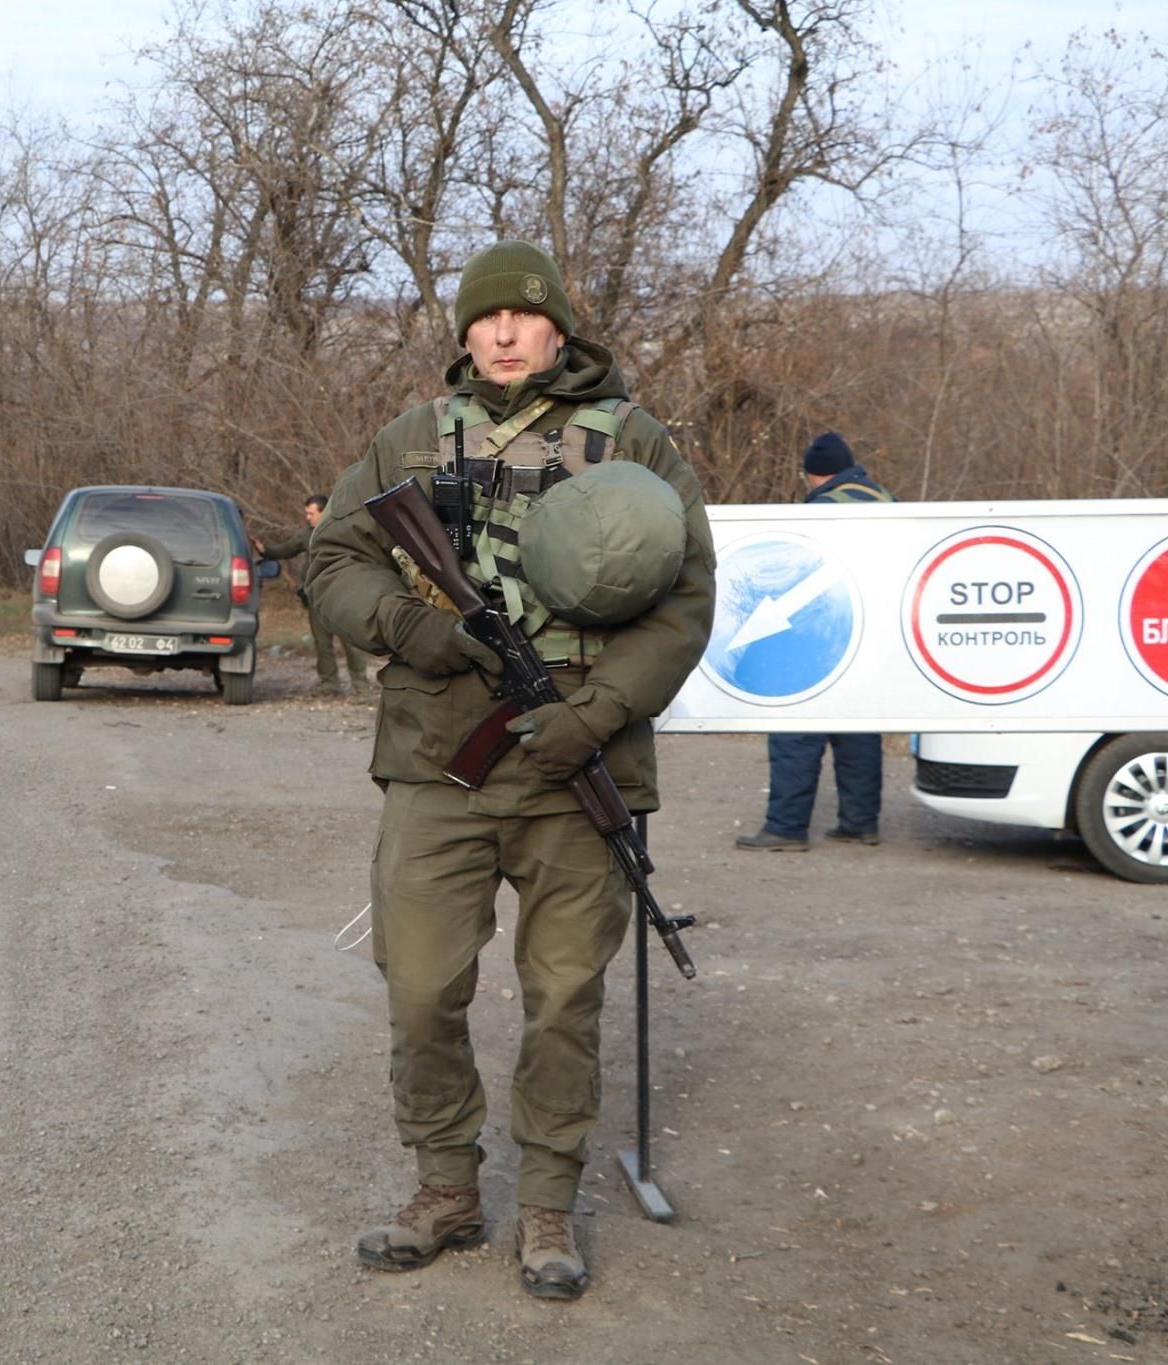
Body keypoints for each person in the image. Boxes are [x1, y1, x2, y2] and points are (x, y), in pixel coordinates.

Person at [303, 240, 715, 1300]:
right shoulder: (408, 441)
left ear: (557, 329)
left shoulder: (634, 445)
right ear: (462, 333)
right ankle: (443, 1189)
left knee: (562, 995)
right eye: (482, 319)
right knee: (421, 986)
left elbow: (683, 606)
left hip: (576, 764)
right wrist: (406, 622)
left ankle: (545, 1206)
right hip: (436, 763)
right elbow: (331, 561)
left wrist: (598, 714)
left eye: (521, 318)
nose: (499, 335)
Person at [735, 432, 897, 851]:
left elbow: (803, 574)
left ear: (813, 475)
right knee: (857, 730)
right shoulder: (885, 499)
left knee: (795, 728)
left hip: (824, 636)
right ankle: (860, 823)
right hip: (872, 637)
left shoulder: (823, 509)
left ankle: (786, 828)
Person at [256, 494, 373, 696]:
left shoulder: (343, 530)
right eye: (306, 513)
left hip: (342, 597)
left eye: (311, 513)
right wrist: (265, 551)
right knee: (322, 643)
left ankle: (361, 685)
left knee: (351, 642)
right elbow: (286, 549)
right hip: (316, 597)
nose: (307, 517)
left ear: (323, 511)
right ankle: (329, 684)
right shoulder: (306, 534)